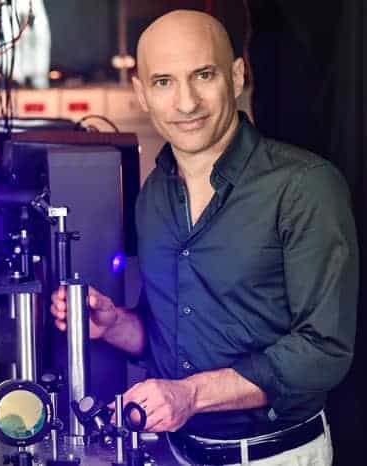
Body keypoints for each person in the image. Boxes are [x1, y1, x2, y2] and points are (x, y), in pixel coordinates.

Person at [51, 9, 358, 466]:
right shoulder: (152, 197)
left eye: (203, 75)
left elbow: (324, 351)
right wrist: (116, 325)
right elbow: (173, 340)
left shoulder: (304, 185)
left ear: (236, 76)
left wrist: (191, 396)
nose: (186, 102)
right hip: (178, 454)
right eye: (163, 82)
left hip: (276, 457)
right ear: (142, 92)